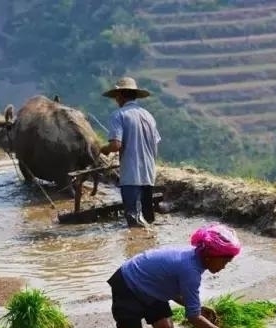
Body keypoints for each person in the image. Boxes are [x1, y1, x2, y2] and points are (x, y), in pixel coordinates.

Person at [107, 223, 243, 328]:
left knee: (165, 326)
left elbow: (171, 288)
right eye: (224, 261)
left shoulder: (195, 257)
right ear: (209, 256)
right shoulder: (190, 270)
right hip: (128, 283)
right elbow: (193, 317)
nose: (224, 266)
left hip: (154, 285)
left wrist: (196, 307)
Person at [100, 77, 161, 228]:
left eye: (116, 97)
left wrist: (104, 149)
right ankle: (150, 242)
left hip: (131, 175)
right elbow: (156, 142)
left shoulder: (118, 115)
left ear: (119, 96)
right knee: (148, 217)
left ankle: (135, 246)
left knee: (133, 218)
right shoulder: (149, 116)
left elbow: (115, 144)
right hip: (148, 174)